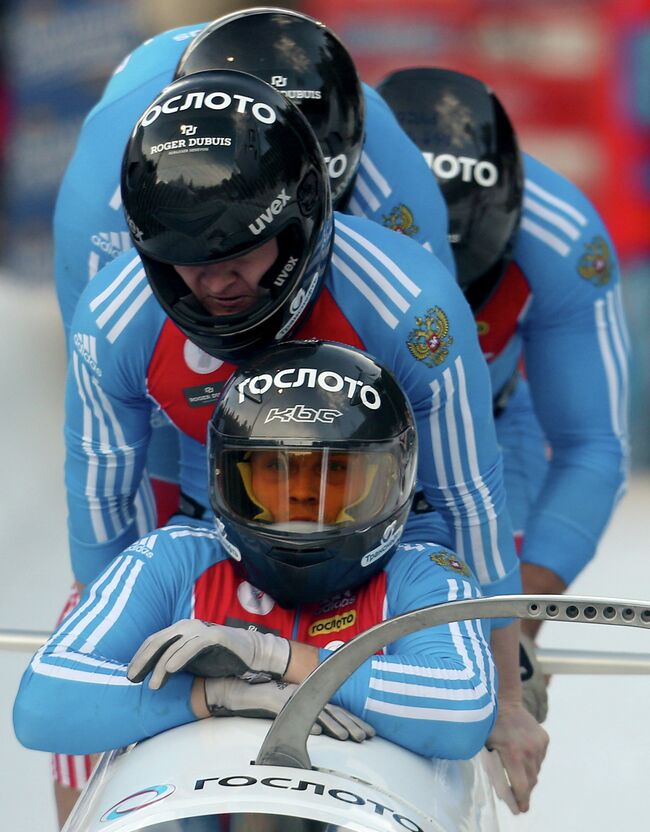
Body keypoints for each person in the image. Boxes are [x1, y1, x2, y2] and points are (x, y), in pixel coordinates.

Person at [62, 69, 546, 811]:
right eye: (187, 262)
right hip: (214, 520)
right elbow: (105, 517)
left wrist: (506, 694)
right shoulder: (114, 318)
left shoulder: (409, 305)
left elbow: (469, 503)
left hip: (384, 528)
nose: (213, 285)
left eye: (237, 256)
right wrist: (187, 693)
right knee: (87, 666)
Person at [53, 7, 455, 531]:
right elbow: (120, 404)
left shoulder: (391, 182)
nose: (219, 276)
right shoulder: (102, 202)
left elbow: (434, 380)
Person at [14, 340, 497, 762]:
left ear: (391, 481)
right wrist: (214, 695)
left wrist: (276, 658)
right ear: (231, 476)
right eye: (277, 469)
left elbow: (465, 709)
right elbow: (43, 705)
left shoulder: (427, 575)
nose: (305, 494)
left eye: (338, 474)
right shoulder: (173, 561)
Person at [376, 67, 630, 721]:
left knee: (486, 682)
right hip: (346, 435)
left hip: (490, 433)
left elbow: (592, 446)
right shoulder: (322, 202)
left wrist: (513, 624)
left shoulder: (561, 235)